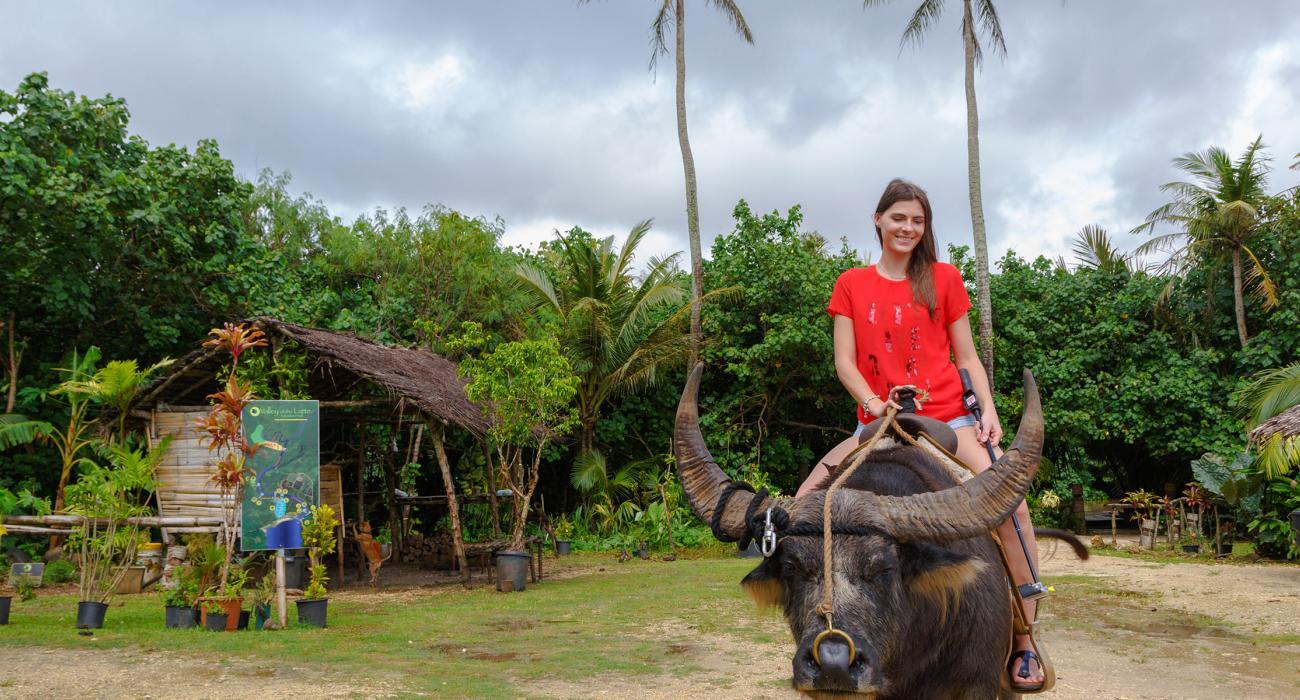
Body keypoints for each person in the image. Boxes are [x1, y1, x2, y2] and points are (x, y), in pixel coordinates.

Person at [796, 178, 1045, 691]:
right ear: (878, 220)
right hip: (876, 420)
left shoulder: (944, 279)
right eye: (898, 218)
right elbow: (844, 361)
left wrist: (990, 413)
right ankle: (816, 636)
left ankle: (1024, 637)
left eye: (917, 220)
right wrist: (872, 404)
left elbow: (967, 357)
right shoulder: (851, 283)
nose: (907, 228)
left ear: (924, 227)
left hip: (948, 420)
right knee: (802, 507)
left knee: (1012, 506)